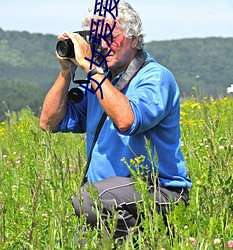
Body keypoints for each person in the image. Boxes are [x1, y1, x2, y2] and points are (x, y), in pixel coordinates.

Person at [40, 0, 192, 244]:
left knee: (88, 199)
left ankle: (147, 241)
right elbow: (49, 123)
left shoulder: (155, 77)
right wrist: (66, 70)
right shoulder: (100, 82)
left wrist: (92, 70)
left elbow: (127, 120)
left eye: (111, 35)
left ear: (134, 39)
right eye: (96, 36)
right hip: (110, 199)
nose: (102, 44)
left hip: (160, 192)